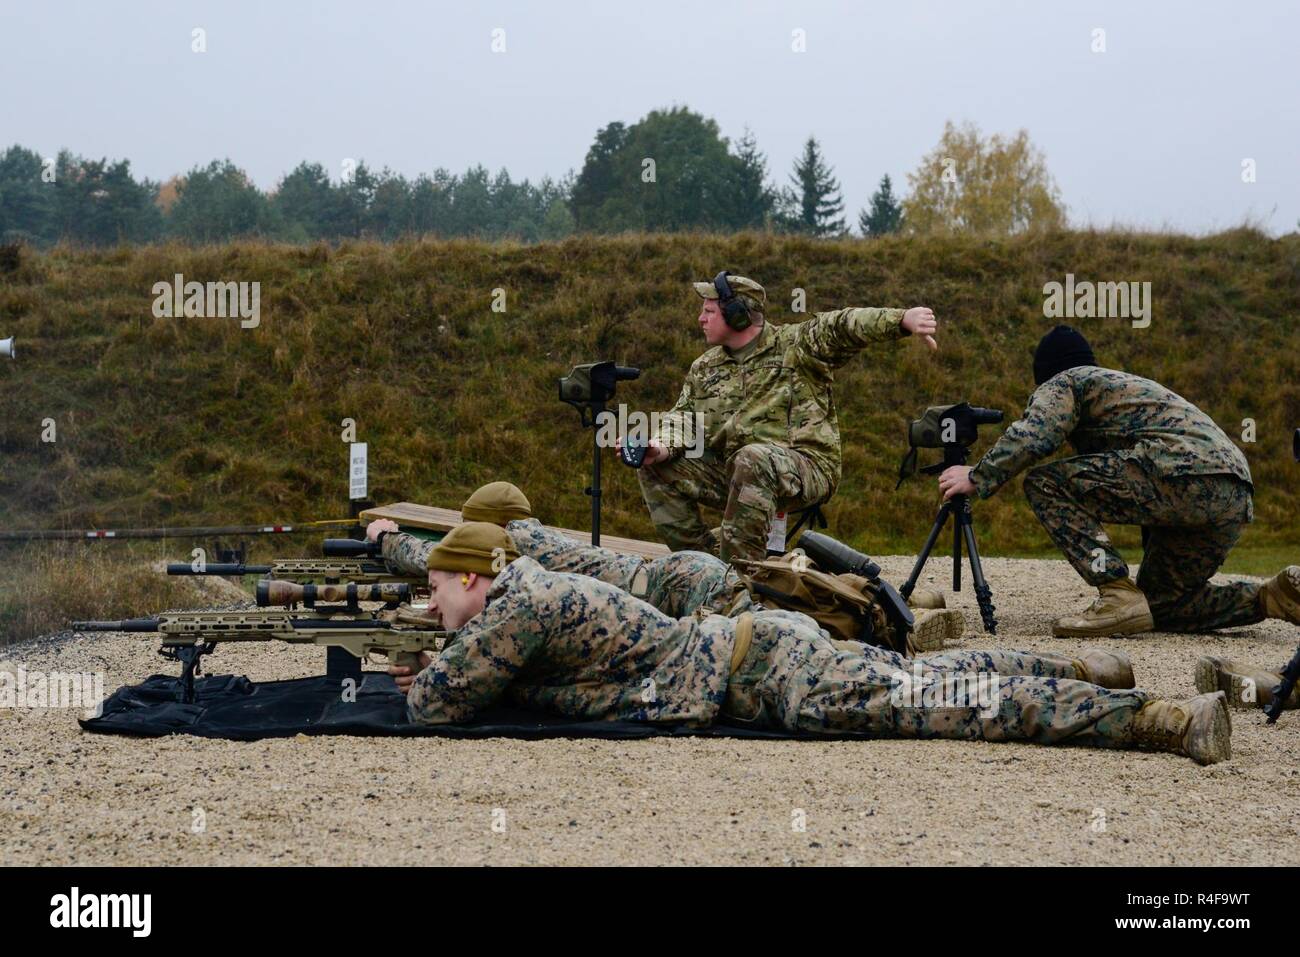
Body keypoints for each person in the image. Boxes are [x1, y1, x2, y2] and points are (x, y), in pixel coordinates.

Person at [388, 522, 1234, 766]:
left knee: (954, 702)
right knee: (926, 672)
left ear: (472, 578)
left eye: (435, 590)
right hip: (764, 644)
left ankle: (1156, 718)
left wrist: (414, 664)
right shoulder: (525, 593)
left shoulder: (516, 602)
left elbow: (430, 707)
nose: (432, 605)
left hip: (776, 672)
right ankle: (1088, 666)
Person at [937, 325, 1300, 638]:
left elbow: (1037, 433)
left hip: (1181, 473)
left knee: (1046, 483)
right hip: (1233, 493)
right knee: (1161, 605)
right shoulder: (1126, 387)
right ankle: (1269, 598)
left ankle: (1115, 593)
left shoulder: (1068, 380)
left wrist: (976, 476)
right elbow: (1145, 477)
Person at [633, 271, 939, 566]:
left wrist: (901, 320)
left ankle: (741, 581)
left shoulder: (797, 346)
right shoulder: (705, 367)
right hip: (739, 470)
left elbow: (843, 325)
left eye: (709, 311)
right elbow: (683, 417)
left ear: (739, 314)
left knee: (752, 458)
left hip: (807, 466)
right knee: (652, 465)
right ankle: (705, 564)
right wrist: (659, 446)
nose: (701, 319)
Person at [367, 481, 738, 619]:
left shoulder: (515, 542)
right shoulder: (535, 535)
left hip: (680, 586)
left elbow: (431, 559)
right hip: (679, 578)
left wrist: (385, 538)